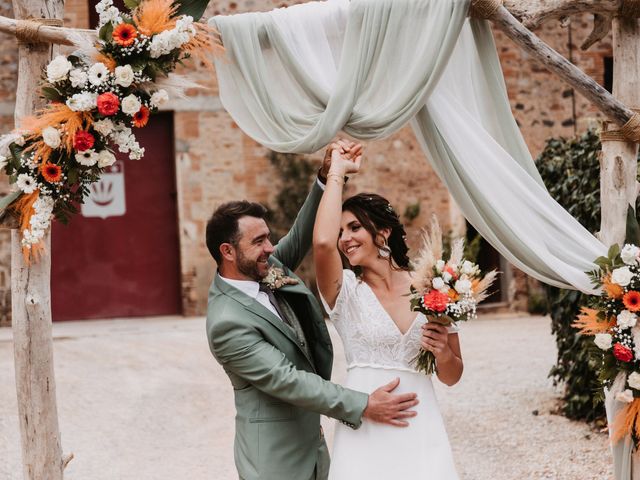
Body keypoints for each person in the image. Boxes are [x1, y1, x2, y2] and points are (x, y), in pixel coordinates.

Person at [205, 143, 419, 480]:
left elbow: (303, 236)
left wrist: (325, 177)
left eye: (268, 238)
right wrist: (364, 404)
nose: (271, 248)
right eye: (259, 241)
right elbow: (287, 380)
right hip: (275, 461)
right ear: (228, 251)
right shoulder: (226, 322)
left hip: (313, 448)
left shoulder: (261, 266)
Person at [313, 140, 463, 479]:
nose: (344, 239)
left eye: (354, 228)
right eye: (341, 231)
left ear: (383, 232)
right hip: (366, 429)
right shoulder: (345, 292)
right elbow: (321, 244)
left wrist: (442, 353)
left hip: (420, 426)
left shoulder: (434, 287)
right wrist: (337, 172)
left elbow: (452, 376)